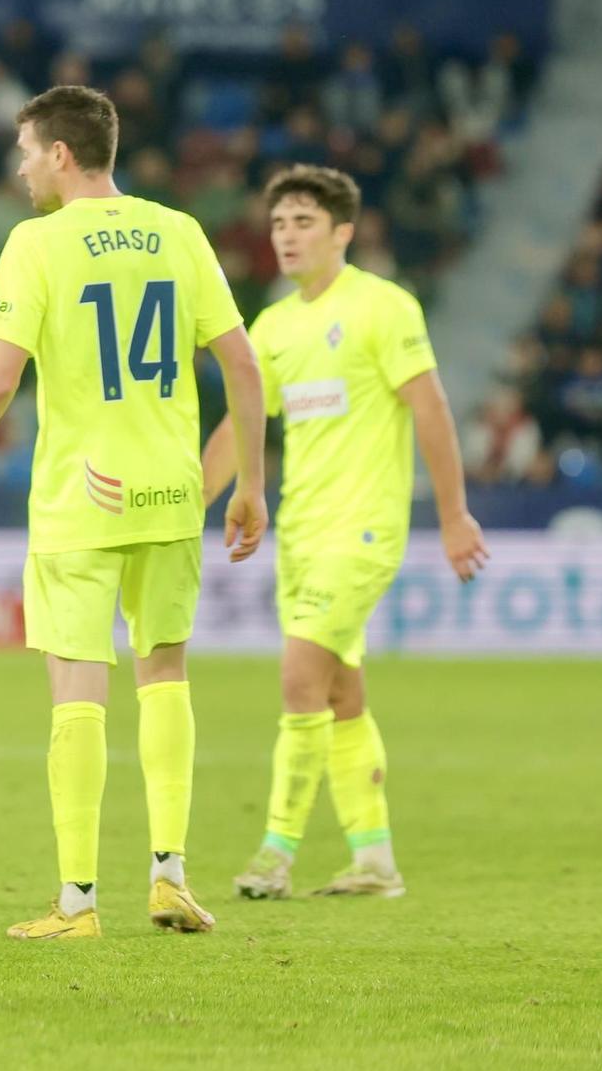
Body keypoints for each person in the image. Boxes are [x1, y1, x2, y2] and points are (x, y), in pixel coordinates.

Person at [0, 86, 269, 940]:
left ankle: (77, 902)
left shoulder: (38, 243)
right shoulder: (179, 232)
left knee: (78, 687)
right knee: (166, 674)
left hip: (81, 498)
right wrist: (250, 482)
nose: (24, 166)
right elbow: (245, 365)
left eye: (29, 151)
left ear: (62, 153)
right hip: (173, 493)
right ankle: (172, 876)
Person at [207, 165, 488, 902]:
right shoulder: (273, 323)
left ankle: (275, 853)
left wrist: (453, 513)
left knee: (299, 678)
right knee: (340, 695)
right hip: (300, 530)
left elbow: (429, 408)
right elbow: (241, 427)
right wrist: (189, 507)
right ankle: (375, 860)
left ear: (343, 231)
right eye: (278, 224)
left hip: (362, 530)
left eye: (303, 221)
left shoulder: (383, 308)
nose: (287, 236)